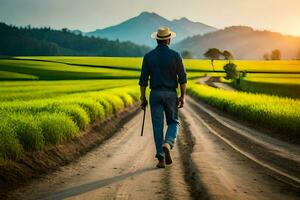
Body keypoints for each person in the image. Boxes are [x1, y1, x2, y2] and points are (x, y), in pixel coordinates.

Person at [139, 26, 187, 168]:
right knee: (173, 122)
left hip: (155, 94)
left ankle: (160, 158)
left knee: (157, 126)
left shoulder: (148, 56)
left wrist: (143, 98)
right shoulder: (176, 55)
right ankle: (168, 142)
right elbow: (182, 79)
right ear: (168, 39)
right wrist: (182, 96)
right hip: (171, 94)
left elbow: (143, 81)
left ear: (157, 40)